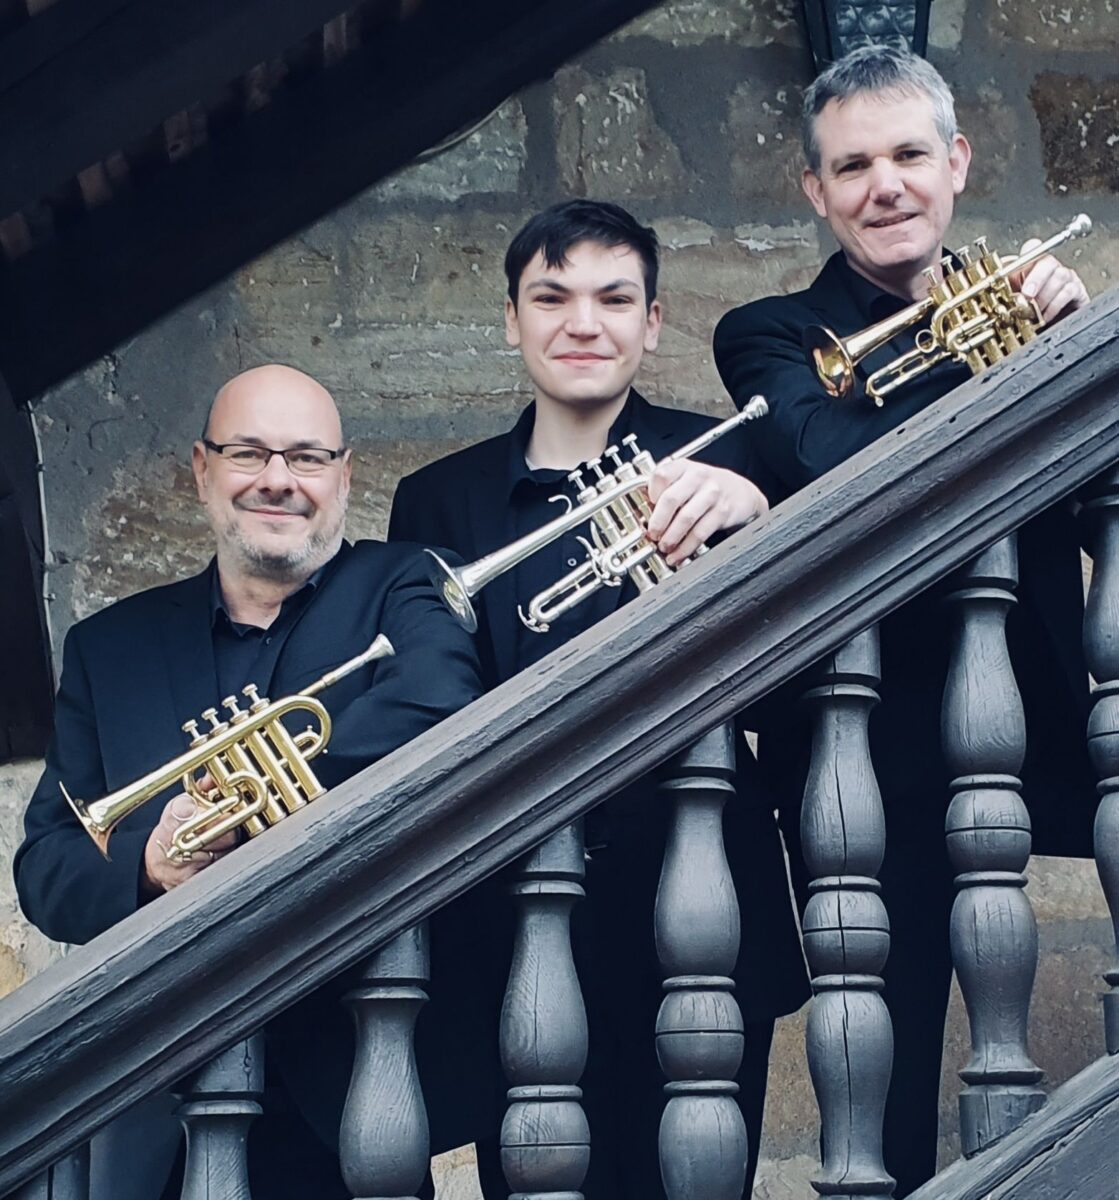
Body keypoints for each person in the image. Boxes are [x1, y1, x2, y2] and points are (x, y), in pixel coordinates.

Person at [713, 46, 1094, 1197]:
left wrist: (1080, 362)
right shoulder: (767, 333)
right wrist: (995, 361)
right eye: (853, 166)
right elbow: (838, 464)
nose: (886, 186)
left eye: (909, 155)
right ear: (815, 190)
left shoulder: (1042, 317)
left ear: (958, 163)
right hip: (869, 752)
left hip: (1039, 710)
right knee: (886, 1077)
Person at [390, 199, 810, 1199]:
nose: (584, 323)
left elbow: (799, 675)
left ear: (652, 323)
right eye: (552, 298)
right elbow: (429, 703)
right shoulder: (436, 501)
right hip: (518, 906)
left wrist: (763, 514)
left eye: (614, 299)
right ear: (511, 320)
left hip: (703, 884)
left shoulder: (731, 457)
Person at [13, 364, 484, 1200]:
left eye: (306, 457)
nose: (277, 479)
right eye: (249, 453)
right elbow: (46, 867)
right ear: (203, 470)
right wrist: (150, 865)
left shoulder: (406, 583)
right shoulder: (109, 648)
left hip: (354, 1077)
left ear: (343, 476)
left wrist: (247, 803)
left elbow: (437, 704)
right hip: (160, 1086)